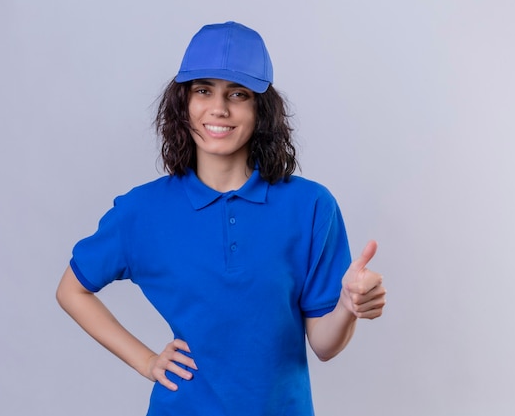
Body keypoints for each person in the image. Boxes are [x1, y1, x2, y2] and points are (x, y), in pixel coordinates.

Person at [56, 21, 386, 416]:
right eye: (203, 90)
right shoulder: (142, 211)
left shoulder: (310, 206)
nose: (219, 108)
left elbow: (324, 346)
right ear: (183, 103)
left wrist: (348, 305)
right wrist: (146, 361)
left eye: (238, 94)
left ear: (261, 108)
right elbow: (71, 290)